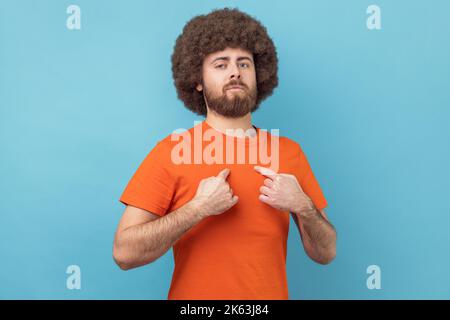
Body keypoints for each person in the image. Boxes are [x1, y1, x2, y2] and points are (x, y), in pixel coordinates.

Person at [113, 8, 336, 300]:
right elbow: (124, 254)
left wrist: (304, 206)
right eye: (220, 64)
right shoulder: (172, 152)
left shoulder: (288, 153)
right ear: (197, 79)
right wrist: (198, 208)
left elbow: (326, 252)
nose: (235, 72)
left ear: (258, 75)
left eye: (244, 64)